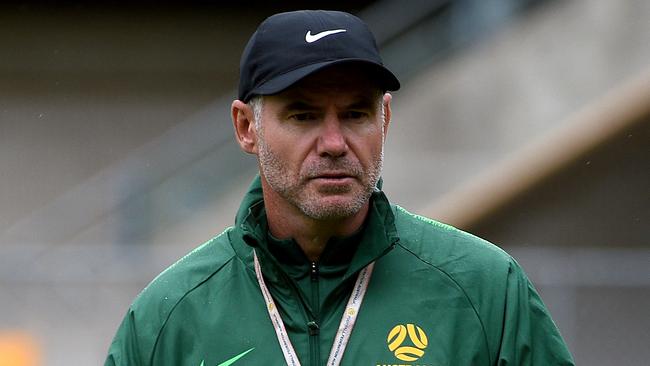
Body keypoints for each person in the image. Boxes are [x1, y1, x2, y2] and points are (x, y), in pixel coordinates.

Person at [105, 10, 575, 366]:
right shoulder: (169, 317)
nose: (334, 143)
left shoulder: (486, 290)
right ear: (246, 127)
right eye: (304, 115)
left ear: (384, 120)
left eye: (355, 114)